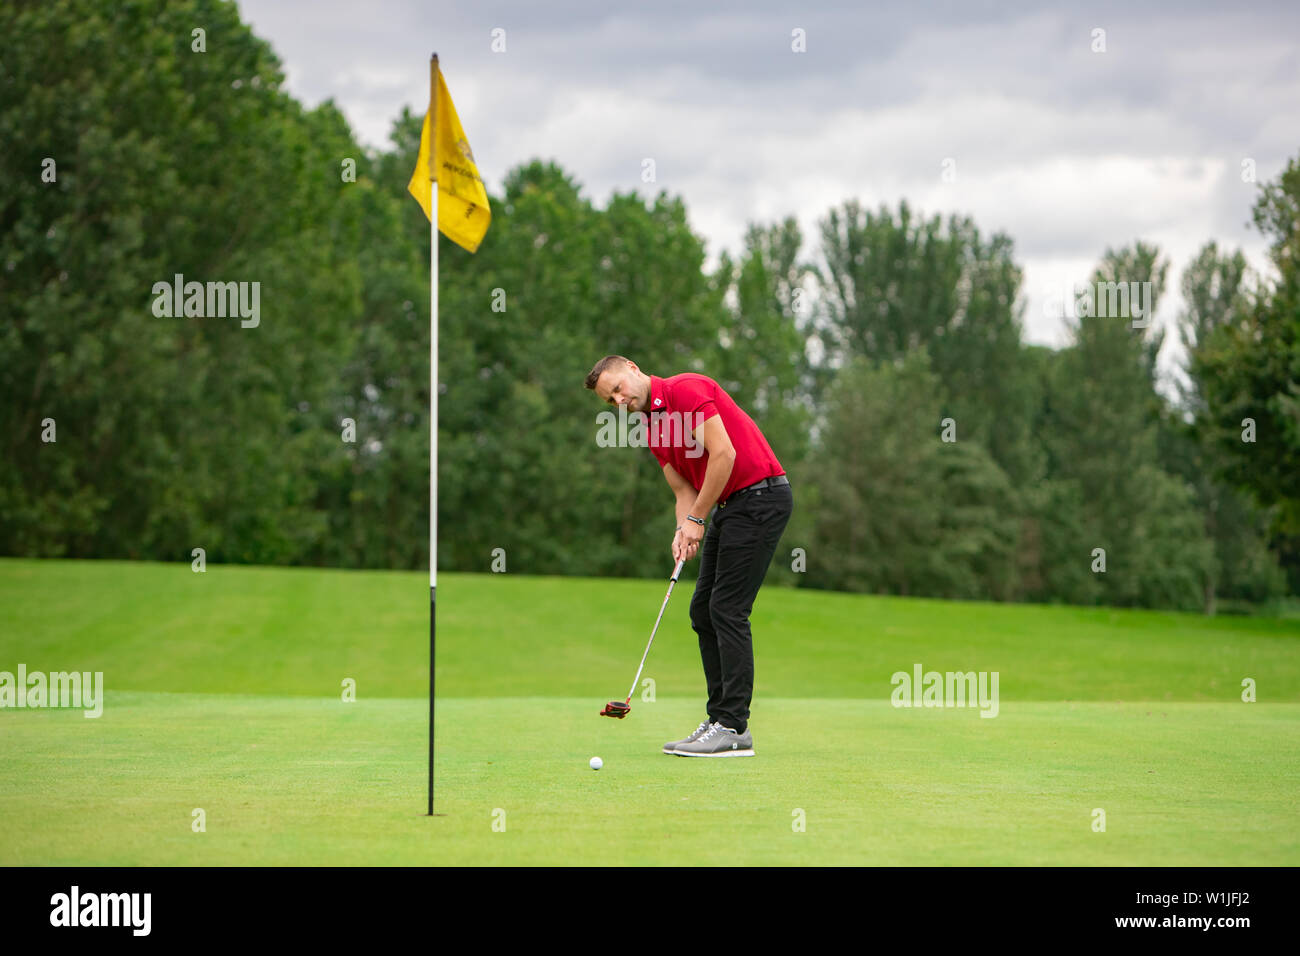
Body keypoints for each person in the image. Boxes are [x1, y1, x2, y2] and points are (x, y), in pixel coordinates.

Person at [584, 355, 793, 757]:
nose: (618, 400)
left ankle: (734, 726)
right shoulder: (651, 427)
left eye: (617, 388)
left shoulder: (685, 389)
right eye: (610, 400)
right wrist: (685, 529)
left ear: (631, 367)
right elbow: (683, 491)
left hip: (761, 496)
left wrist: (698, 517)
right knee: (702, 610)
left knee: (727, 609)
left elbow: (724, 455)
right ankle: (719, 720)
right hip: (731, 506)